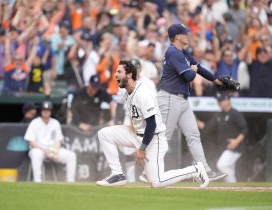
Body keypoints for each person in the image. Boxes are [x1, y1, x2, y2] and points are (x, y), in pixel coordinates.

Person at [96, 60, 209, 188]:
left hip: (153, 139)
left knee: (156, 182)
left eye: (119, 72)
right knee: (104, 134)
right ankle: (117, 174)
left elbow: (152, 124)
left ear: (129, 75)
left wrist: (141, 148)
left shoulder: (142, 93)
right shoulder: (127, 92)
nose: (115, 75)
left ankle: (195, 170)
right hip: (136, 133)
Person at [157, 23, 227, 181]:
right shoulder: (173, 52)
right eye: (184, 33)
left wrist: (216, 81)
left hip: (181, 100)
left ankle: (204, 170)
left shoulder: (183, 52)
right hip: (169, 98)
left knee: (193, 135)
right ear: (177, 37)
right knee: (163, 138)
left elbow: (199, 67)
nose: (187, 35)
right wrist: (193, 70)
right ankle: (148, 171)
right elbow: (189, 76)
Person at [197, 94, 247, 182]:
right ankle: (233, 187)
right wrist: (194, 120)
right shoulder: (219, 115)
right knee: (229, 169)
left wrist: (236, 141)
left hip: (236, 147)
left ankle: (232, 184)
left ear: (228, 101)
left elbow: (245, 129)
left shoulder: (235, 113)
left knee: (222, 165)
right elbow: (207, 127)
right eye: (218, 101)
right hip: (225, 147)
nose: (219, 103)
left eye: (221, 101)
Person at [24, 100, 77, 182]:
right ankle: (37, 181)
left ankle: (70, 181)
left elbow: (58, 140)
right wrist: (45, 150)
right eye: (44, 110)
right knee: (36, 154)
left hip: (52, 150)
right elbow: (31, 142)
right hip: (39, 149)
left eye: (48, 110)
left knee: (71, 155)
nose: (46, 112)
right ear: (41, 111)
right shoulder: (35, 122)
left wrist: (54, 151)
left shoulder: (55, 123)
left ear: (51, 111)